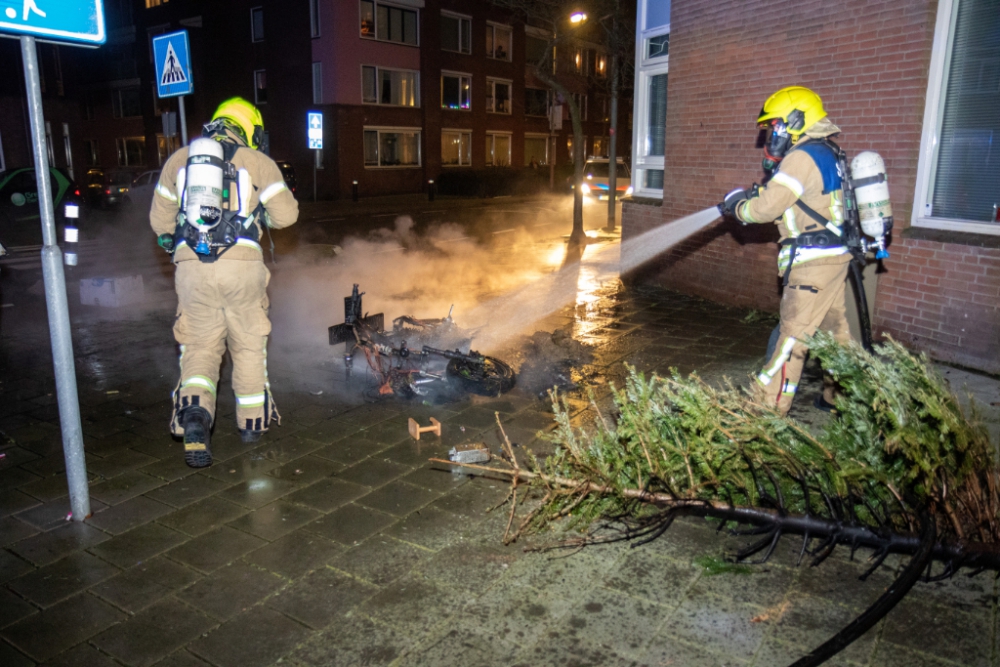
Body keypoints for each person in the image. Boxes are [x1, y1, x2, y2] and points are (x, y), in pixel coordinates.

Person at [150, 97, 298, 467]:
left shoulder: (178, 160)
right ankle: (251, 425)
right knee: (247, 345)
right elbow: (287, 216)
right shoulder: (257, 162)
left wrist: (175, 237)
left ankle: (196, 416)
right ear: (250, 128)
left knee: (200, 346)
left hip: (192, 268)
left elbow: (160, 223)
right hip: (242, 266)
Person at [719, 86, 851, 416]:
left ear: (796, 120)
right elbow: (805, 204)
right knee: (838, 337)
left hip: (811, 265)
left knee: (791, 342)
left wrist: (738, 207)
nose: (772, 134)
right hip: (835, 259)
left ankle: (762, 415)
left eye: (776, 126)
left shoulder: (801, 157)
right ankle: (845, 400)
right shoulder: (830, 153)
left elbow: (765, 209)